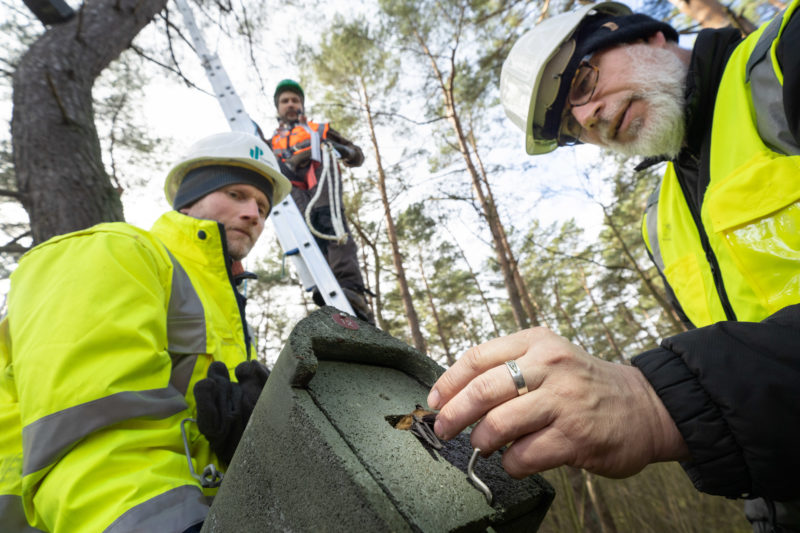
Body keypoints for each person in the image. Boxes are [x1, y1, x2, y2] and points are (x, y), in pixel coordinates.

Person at [427, 2, 800, 531]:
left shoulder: (783, 60)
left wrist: (661, 400)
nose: (588, 120)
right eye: (571, 130)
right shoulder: (660, 221)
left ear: (643, 35)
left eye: (580, 83)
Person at [0, 131, 292, 532]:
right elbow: (95, 437)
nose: (254, 214)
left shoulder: (231, 317)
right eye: (237, 195)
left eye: (263, 206)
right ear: (190, 198)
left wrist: (239, 447)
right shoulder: (115, 252)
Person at [267, 79, 375, 324]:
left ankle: (351, 289)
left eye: (295, 100)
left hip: (322, 180)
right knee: (306, 236)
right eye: (285, 101)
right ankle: (324, 285)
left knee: (332, 229)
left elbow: (356, 154)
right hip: (292, 190)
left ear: (302, 105)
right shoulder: (271, 142)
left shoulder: (318, 129)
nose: (291, 104)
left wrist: (338, 148)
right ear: (278, 107)